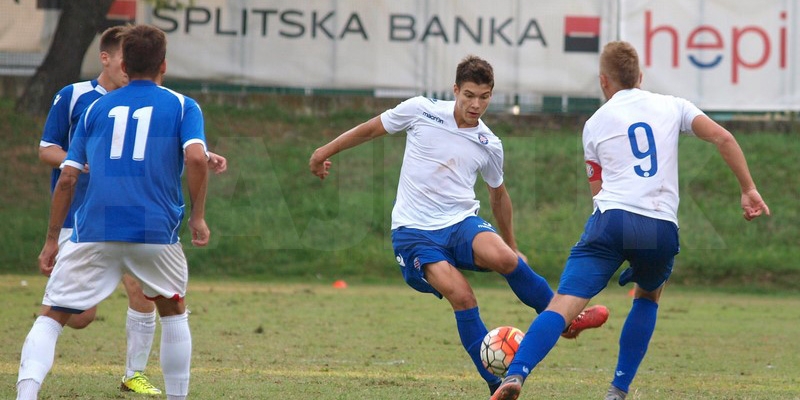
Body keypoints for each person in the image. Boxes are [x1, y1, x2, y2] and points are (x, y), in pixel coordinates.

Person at [309, 55, 608, 396]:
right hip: (414, 233)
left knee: (509, 261)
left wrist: (512, 244)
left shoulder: (489, 143)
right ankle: (498, 385)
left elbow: (499, 196)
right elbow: (371, 128)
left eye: (484, 97)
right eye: (469, 95)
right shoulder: (421, 110)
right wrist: (323, 151)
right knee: (464, 298)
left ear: (491, 95)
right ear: (455, 90)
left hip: (460, 222)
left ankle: (565, 318)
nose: (476, 104)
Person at [491, 41, 771, 400]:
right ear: (640, 77)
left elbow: (598, 191)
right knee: (648, 296)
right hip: (660, 227)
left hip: (612, 220)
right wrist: (748, 189)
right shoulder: (674, 106)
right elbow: (723, 137)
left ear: (603, 81)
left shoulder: (594, 124)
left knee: (563, 304)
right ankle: (617, 390)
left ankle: (515, 374)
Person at [17, 24, 210, 400]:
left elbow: (68, 178)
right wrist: (198, 216)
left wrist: (52, 238)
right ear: (163, 65)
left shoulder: (96, 108)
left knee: (53, 314)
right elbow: (196, 157)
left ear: (125, 63)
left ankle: (25, 395)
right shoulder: (183, 105)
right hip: (155, 229)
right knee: (173, 310)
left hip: (93, 227)